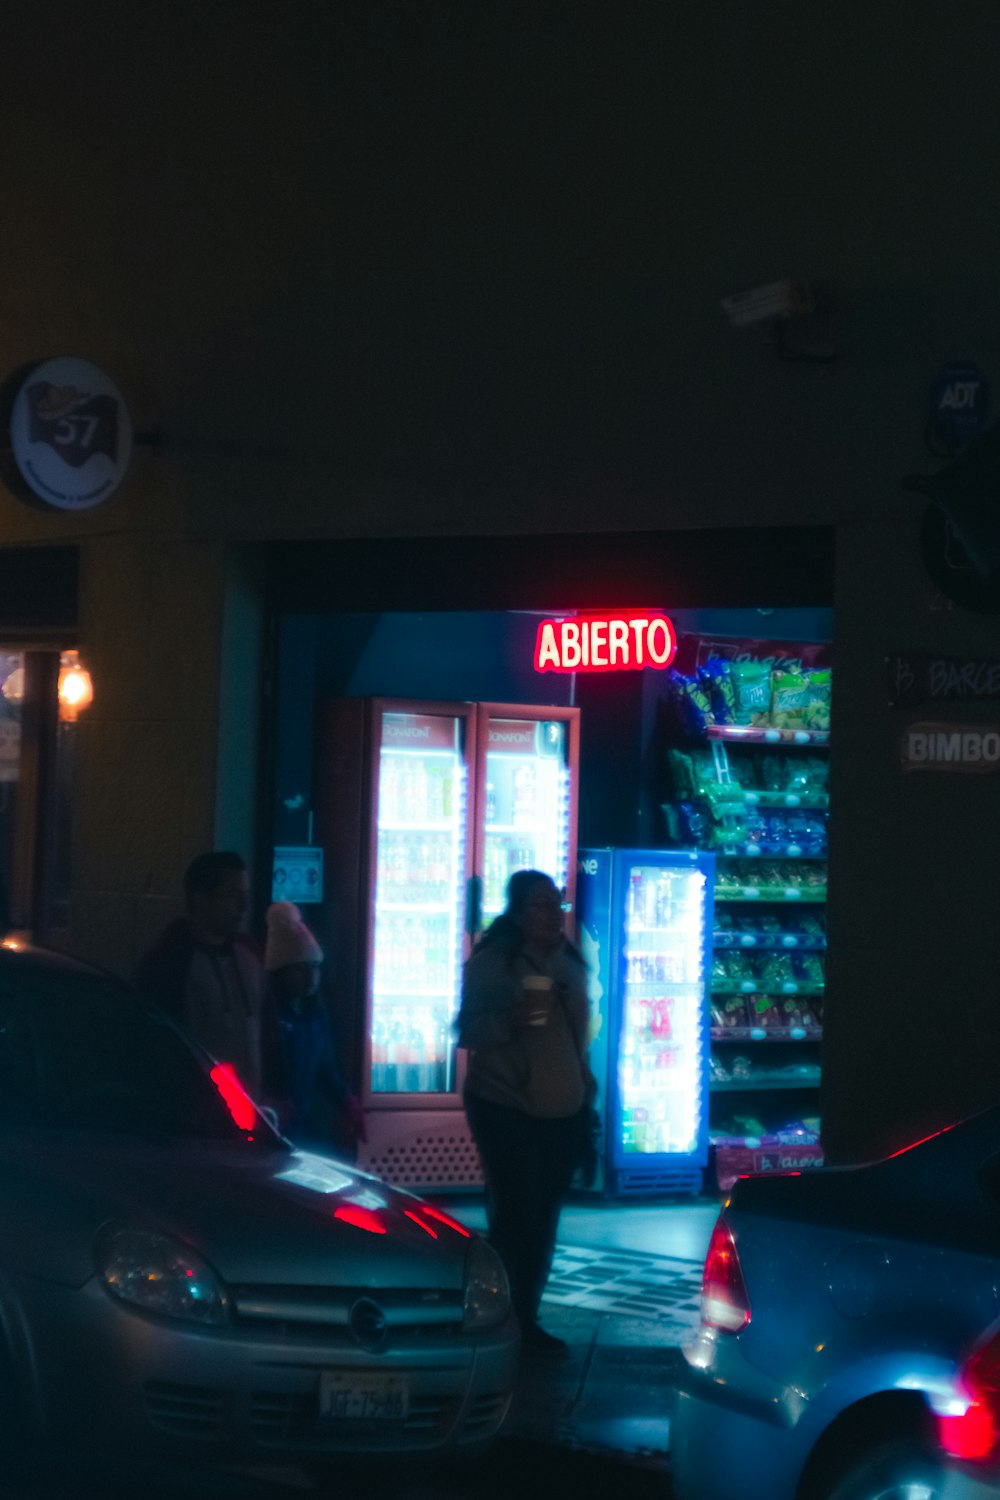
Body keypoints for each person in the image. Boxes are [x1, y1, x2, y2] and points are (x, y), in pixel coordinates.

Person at [456, 869, 596, 1359]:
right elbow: (469, 1030)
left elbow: (576, 1034)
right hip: (507, 1106)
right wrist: (513, 1019)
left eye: (557, 904)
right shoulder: (495, 963)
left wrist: (584, 1084)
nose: (553, 914)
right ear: (517, 913)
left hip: (562, 1107)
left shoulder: (571, 963)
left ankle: (526, 1317)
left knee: (544, 1219)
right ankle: (501, 1316)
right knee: (518, 1213)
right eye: (541, 905)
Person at [135, 851, 266, 1096]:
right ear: (201, 900)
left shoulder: (250, 957)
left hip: (254, 1109)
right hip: (199, 1112)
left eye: (246, 896)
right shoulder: (170, 963)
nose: (244, 907)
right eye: (232, 896)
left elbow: (268, 1032)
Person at [259, 901, 365, 1156]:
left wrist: (346, 1102)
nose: (311, 976)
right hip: (270, 1127)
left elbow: (325, 1068)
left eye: (315, 967)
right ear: (281, 972)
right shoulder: (266, 1016)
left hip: (303, 1129)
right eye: (302, 968)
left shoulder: (315, 1016)